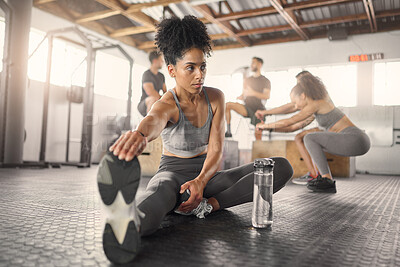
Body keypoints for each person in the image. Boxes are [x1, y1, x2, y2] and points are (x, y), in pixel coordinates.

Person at [97, 15, 293, 264]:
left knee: (279, 167)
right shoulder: (167, 103)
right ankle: (128, 227)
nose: (199, 75)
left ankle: (209, 205)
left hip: (208, 179)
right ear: (172, 71)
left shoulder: (216, 98)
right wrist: (139, 135)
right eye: (190, 68)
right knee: (161, 192)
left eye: (202, 66)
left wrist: (201, 181)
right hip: (173, 177)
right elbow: (153, 120)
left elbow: (216, 148)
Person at [256, 75, 370, 193]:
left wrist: (265, 125)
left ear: (303, 95)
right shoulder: (315, 110)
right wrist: (268, 129)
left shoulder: (317, 104)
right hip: (356, 142)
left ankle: (327, 179)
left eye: (295, 102)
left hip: (355, 139)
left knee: (310, 138)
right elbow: (293, 127)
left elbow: (291, 120)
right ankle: (321, 177)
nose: (295, 107)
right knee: (308, 138)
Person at [255, 71, 322, 185]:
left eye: (299, 84)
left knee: (302, 137)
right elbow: (292, 124)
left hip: (330, 131)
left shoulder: (314, 101)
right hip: (325, 129)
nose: (298, 87)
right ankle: (316, 174)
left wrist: (266, 124)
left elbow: (291, 119)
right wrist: (268, 126)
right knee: (300, 137)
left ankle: (317, 175)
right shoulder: (311, 101)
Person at [225, 57, 271, 140]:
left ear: (260, 64)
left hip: (259, 110)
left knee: (257, 136)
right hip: (247, 108)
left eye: (254, 62)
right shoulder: (248, 80)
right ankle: (228, 131)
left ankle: (258, 151)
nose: (251, 65)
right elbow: (244, 94)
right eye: (251, 62)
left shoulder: (265, 80)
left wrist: (253, 93)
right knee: (228, 105)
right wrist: (241, 96)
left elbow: (266, 96)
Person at [137, 51, 167, 117]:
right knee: (153, 99)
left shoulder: (161, 76)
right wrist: (163, 101)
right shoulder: (146, 74)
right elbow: (151, 92)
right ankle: (149, 123)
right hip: (144, 104)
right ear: (155, 61)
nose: (163, 62)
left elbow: (165, 92)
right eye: (161, 60)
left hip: (157, 100)